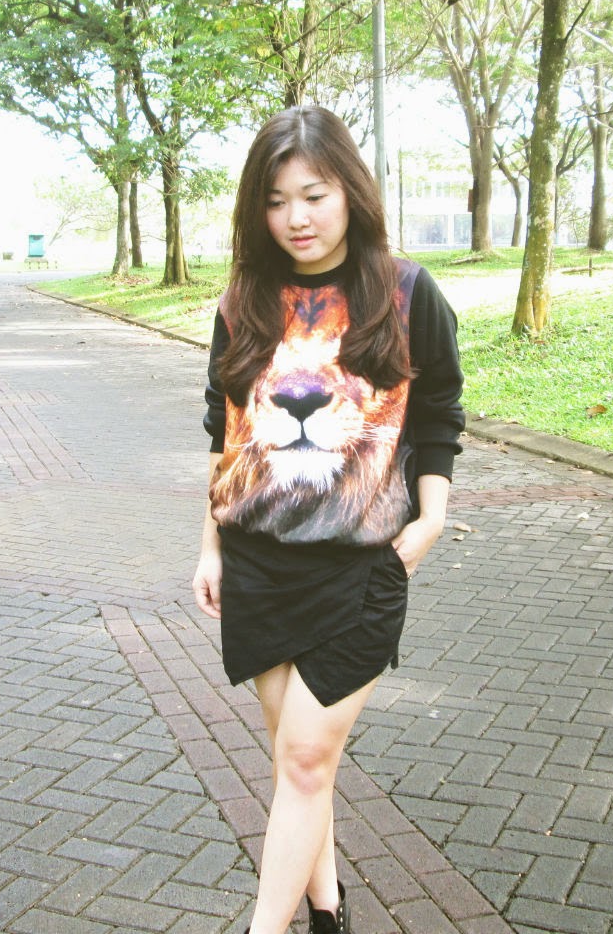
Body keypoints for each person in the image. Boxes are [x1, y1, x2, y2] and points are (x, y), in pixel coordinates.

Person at [193, 105, 465, 934]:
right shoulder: (242, 300)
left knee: (307, 757)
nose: (296, 218)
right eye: (276, 200)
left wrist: (432, 518)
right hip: (259, 562)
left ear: (350, 190)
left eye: (313, 195)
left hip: (361, 566)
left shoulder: (406, 291)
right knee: (299, 762)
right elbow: (225, 432)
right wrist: (209, 547)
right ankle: (328, 909)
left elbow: (439, 411)